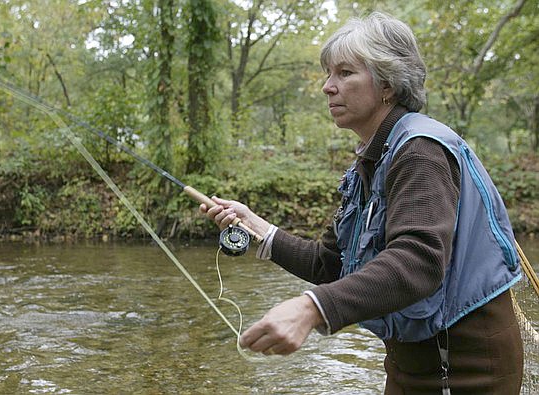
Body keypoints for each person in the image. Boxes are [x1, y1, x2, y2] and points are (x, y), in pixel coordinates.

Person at [201, 12, 523, 394]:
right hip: (412, 360)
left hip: (465, 365)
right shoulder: (372, 160)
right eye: (328, 74)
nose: (327, 87)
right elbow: (330, 264)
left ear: (387, 83)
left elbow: (418, 261)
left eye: (344, 73)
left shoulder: (419, 151)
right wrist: (256, 228)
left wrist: (311, 308)